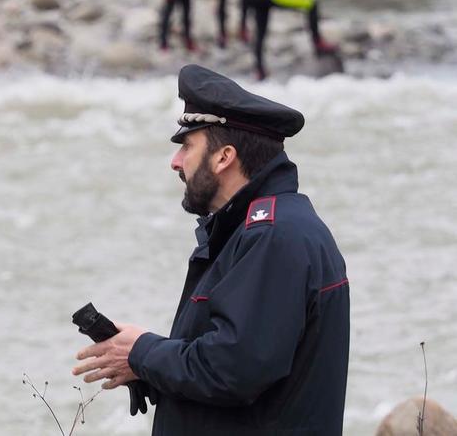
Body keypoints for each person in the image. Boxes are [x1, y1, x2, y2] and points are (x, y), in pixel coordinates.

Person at [72, 64, 350, 435]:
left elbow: (235, 370)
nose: (175, 161)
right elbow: (242, 362)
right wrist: (146, 366)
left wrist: (142, 353)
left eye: (187, 145)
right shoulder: (254, 230)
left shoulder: (273, 238)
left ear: (224, 157)